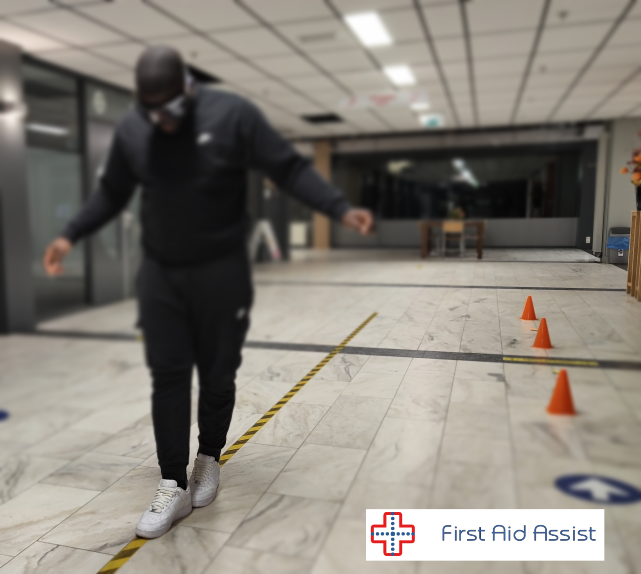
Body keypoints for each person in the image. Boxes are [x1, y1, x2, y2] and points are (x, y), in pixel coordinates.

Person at [43, 46, 374, 539]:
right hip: (161, 273)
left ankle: (208, 457)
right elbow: (112, 191)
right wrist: (70, 234)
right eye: (152, 111)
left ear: (188, 88)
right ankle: (172, 483)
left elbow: (287, 167)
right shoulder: (133, 128)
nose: (162, 120)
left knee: (217, 373)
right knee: (168, 375)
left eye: (170, 109)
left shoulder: (233, 114)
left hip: (221, 272)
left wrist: (338, 207)